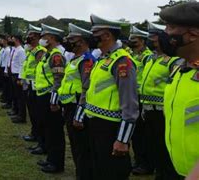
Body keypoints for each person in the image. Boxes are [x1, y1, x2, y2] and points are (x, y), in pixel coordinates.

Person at [82, 14, 139, 180]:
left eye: (95, 33)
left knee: (113, 172)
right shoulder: (102, 59)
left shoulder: (121, 61)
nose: (91, 38)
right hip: (95, 123)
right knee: (99, 169)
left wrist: (122, 139)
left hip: (110, 127)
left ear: (106, 35)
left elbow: (130, 103)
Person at [159, 1, 199, 178]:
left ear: (193, 34)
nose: (165, 34)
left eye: (171, 27)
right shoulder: (180, 69)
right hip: (179, 169)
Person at [138, 21, 183, 179]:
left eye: (154, 38)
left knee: (165, 151)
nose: (151, 41)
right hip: (149, 110)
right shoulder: (150, 59)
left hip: (162, 113)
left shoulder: (174, 61)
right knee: (153, 148)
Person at [59, 23, 96, 179]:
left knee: (82, 149)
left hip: (77, 108)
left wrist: (79, 115)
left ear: (80, 41)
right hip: (69, 106)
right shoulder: (75, 59)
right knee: (75, 146)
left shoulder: (86, 60)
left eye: (71, 38)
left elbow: (86, 89)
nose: (67, 41)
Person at [36, 24, 66, 174]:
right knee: (48, 129)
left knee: (55, 131)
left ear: (52, 38)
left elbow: (58, 79)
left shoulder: (56, 56)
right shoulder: (48, 54)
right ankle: (50, 158)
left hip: (50, 96)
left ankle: (56, 163)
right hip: (43, 95)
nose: (41, 39)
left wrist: (54, 100)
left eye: (44, 37)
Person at [129, 25, 154, 175]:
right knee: (135, 134)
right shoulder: (132, 55)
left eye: (135, 39)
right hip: (133, 97)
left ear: (143, 41)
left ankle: (145, 164)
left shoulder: (147, 56)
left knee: (143, 134)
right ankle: (138, 161)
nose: (131, 41)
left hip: (141, 99)